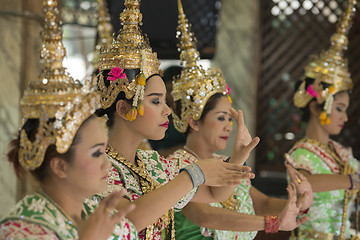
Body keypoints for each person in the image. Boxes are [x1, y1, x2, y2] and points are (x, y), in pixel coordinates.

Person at [95, 0, 259, 239]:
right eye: (155, 101)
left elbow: (215, 195)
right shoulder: (98, 165)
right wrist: (193, 175)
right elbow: (129, 220)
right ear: (123, 108)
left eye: (165, 101)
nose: (167, 111)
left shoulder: (153, 163)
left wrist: (240, 155)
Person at [167, 1, 312, 239]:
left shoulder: (223, 162)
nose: (229, 125)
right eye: (221, 117)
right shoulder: (178, 165)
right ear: (194, 122)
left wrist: (299, 204)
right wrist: (273, 224)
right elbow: (207, 217)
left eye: (230, 118)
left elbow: (263, 203)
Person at [0, 1, 137, 239]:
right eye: (96, 153)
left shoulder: (111, 222)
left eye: (105, 151)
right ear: (60, 167)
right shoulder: (21, 231)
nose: (107, 164)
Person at [285, 1, 360, 239]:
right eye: (339, 108)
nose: (344, 117)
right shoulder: (301, 154)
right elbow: (306, 183)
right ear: (318, 107)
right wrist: (350, 180)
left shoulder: (340, 151)